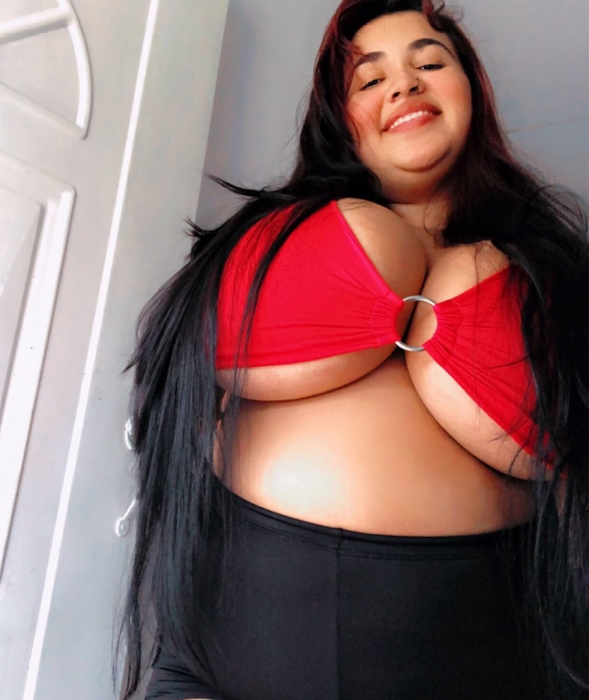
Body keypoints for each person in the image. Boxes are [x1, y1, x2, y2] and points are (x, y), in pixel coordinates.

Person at [118, 1, 588, 698]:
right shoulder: (267, 244)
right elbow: (177, 401)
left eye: (430, 62)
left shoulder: (553, 278)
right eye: (369, 79)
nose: (405, 84)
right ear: (339, 121)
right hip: (226, 646)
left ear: (472, 92)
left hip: (484, 651)